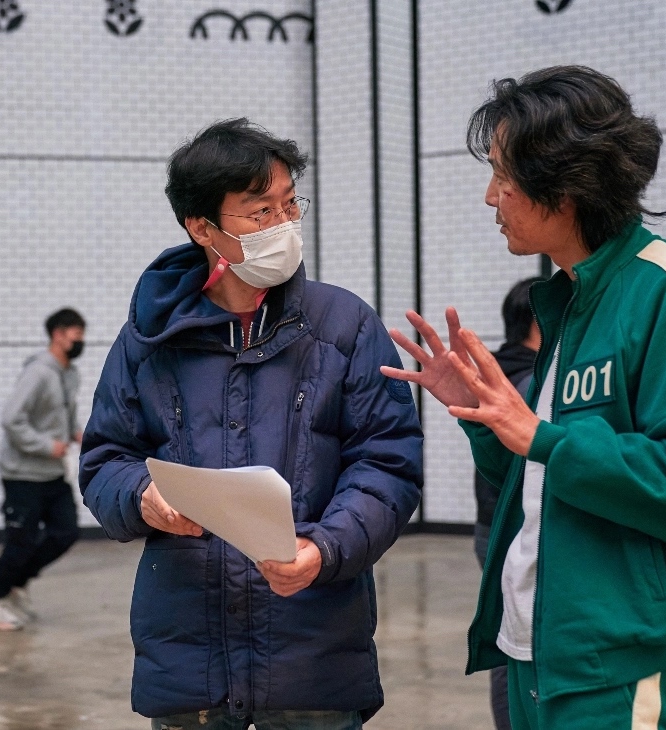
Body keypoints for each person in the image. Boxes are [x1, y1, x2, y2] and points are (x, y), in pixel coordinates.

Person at [384, 66, 666, 729]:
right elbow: (545, 477)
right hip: (538, 652)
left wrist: (542, 437)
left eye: (503, 175)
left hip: (622, 665)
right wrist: (482, 419)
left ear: (564, 185)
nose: (489, 196)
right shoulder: (570, 300)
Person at [80, 118, 423, 729]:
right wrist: (145, 498)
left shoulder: (344, 327)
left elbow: (388, 465)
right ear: (201, 227)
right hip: (191, 669)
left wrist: (324, 548)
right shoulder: (148, 340)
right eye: (260, 211)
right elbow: (105, 460)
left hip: (312, 660)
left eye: (290, 204)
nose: (283, 225)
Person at [0, 308, 86, 631]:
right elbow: (12, 419)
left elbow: (64, 415)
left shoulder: (69, 373)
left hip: (52, 473)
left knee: (65, 532)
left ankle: (17, 584)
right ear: (58, 334)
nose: (80, 340)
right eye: (75, 333)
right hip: (22, 473)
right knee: (20, 541)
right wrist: (45, 445)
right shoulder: (38, 372)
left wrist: (76, 433)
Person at [472, 278, 541, 730]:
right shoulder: (528, 381)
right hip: (514, 526)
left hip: (490, 525)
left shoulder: (499, 374)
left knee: (511, 638)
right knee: (513, 646)